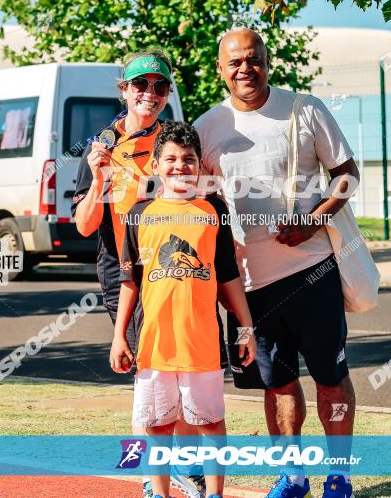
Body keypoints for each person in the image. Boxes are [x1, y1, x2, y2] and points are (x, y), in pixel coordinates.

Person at [194, 28, 360, 498]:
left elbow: (347, 173)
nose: (245, 69)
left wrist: (312, 222)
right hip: (249, 284)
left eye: (254, 59)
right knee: (278, 385)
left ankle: (340, 477)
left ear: (268, 61)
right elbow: (199, 203)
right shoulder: (209, 126)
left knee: (331, 379)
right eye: (235, 62)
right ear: (221, 70)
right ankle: (293, 477)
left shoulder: (304, 109)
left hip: (313, 272)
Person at [72, 50, 211, 498]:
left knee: (186, 366)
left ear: (168, 93)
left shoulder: (174, 142)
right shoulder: (101, 147)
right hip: (127, 271)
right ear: (124, 90)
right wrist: (97, 181)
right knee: (149, 370)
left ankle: (185, 467)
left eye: (159, 87)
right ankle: (155, 477)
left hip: (180, 267)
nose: (149, 94)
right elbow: (85, 225)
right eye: (140, 85)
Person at [110, 121, 257, 498]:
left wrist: (246, 328)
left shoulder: (212, 213)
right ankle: (158, 493)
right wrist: (118, 338)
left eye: (189, 160)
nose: (180, 167)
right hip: (154, 345)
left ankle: (214, 494)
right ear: (156, 165)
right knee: (157, 426)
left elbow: (229, 279)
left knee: (210, 423)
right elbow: (130, 283)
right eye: (171, 159)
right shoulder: (139, 216)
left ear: (199, 167)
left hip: (201, 345)